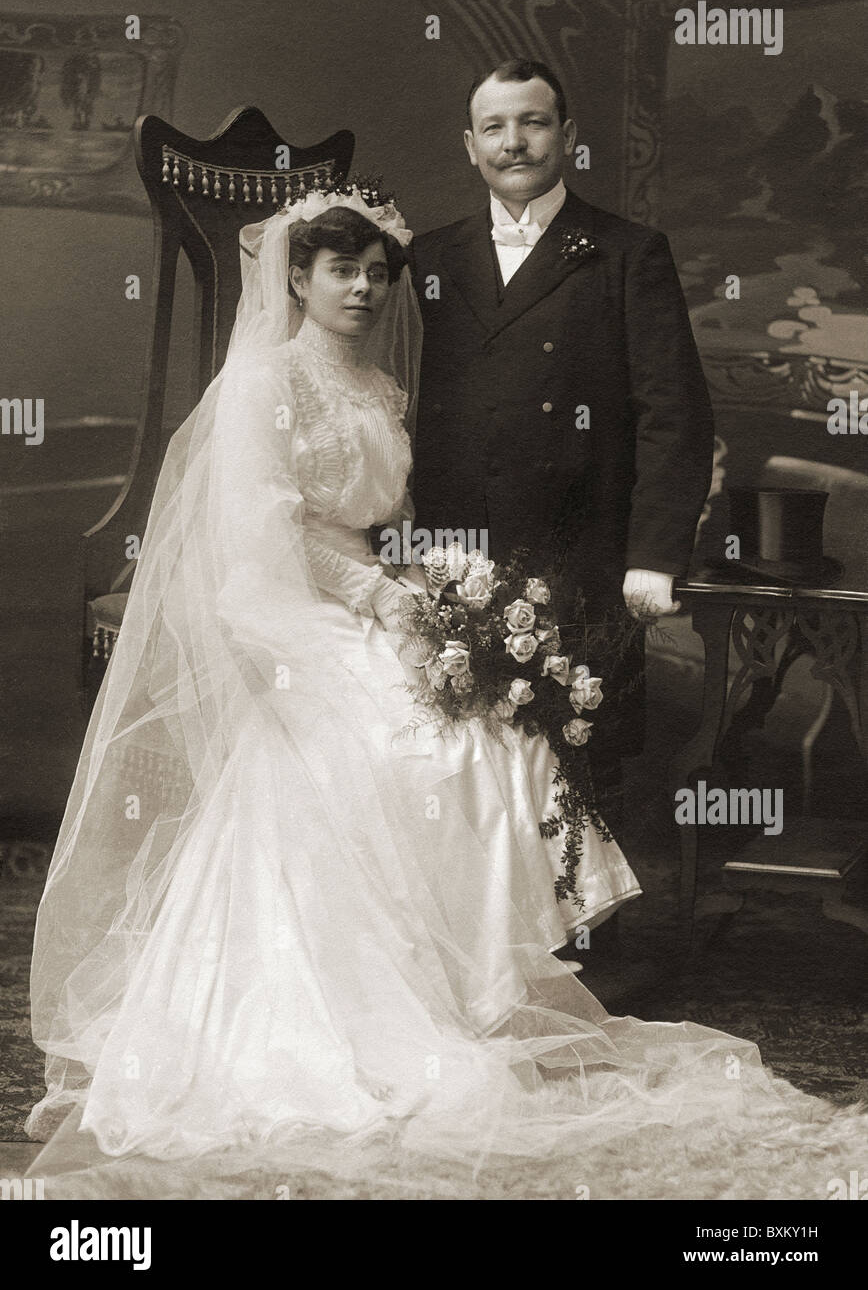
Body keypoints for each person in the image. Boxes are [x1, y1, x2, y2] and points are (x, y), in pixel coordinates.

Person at [23, 190, 864, 1200]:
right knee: (407, 740)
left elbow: (395, 520)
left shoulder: (379, 383)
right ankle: (373, 1003)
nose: (364, 289)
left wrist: (437, 594)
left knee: (495, 727)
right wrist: (383, 601)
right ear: (296, 278)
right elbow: (269, 535)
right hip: (281, 607)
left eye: (377, 273)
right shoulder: (267, 386)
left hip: (376, 593)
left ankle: (471, 995)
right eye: (341, 270)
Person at [411, 59, 716, 832]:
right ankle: (485, 937)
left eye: (534, 122)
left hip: (582, 546)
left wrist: (655, 552)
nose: (515, 143)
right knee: (465, 747)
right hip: (460, 547)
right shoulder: (428, 259)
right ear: (468, 145)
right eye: (495, 127)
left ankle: (582, 938)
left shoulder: (626, 252)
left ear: (569, 136)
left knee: (580, 752)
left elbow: (674, 413)